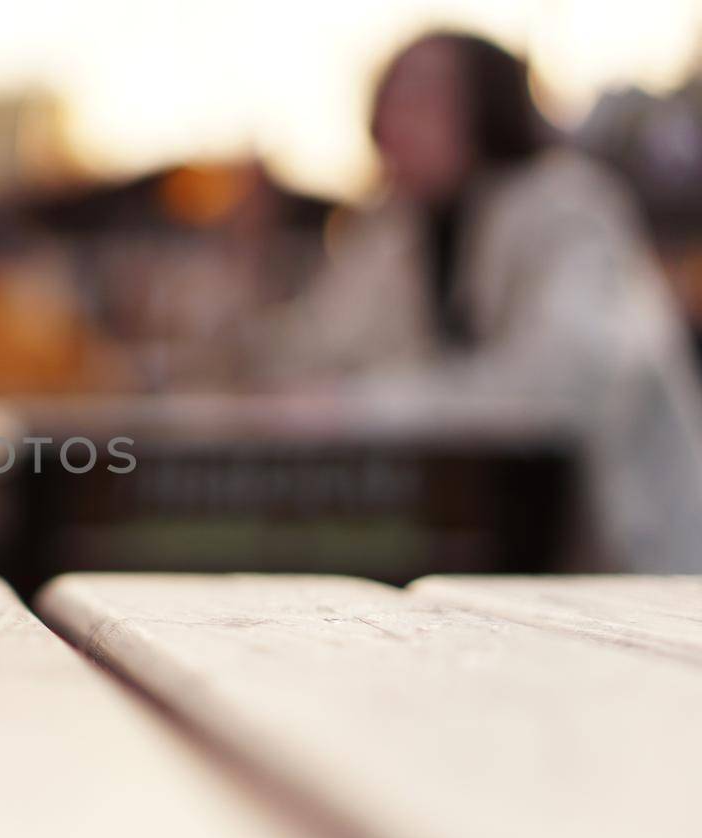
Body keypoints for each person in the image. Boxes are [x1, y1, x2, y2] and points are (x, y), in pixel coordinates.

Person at [251, 32, 702, 571]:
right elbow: (310, 356)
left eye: (423, 95)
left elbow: (552, 390)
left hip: (628, 559)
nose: (398, 119)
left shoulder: (570, 207)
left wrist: (361, 407)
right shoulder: (400, 231)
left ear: (487, 102)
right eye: (389, 97)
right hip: (492, 554)